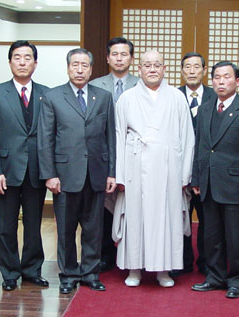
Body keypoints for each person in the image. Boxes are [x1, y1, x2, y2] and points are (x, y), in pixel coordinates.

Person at [113, 50, 195, 287]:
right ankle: (134, 268)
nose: (152, 69)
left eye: (157, 65)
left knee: (166, 218)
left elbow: (187, 137)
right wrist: (120, 175)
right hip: (135, 165)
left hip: (168, 168)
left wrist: (184, 174)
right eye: (147, 65)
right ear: (139, 69)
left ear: (164, 69)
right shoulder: (127, 98)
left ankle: (163, 270)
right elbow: (119, 137)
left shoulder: (177, 98)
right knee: (135, 217)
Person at [38, 48, 116, 295]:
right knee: (66, 230)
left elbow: (110, 137)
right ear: (68, 68)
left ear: (92, 69)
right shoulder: (52, 97)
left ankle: (91, 273)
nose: (80, 70)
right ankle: (69, 274)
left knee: (94, 229)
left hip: (95, 173)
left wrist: (111, 172)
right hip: (64, 175)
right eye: (75, 65)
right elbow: (45, 139)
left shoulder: (103, 97)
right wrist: (50, 174)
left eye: (85, 65)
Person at [191, 61, 239, 299]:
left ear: (237, 81)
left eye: (227, 77)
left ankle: (238, 278)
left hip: (236, 184)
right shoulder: (205, 108)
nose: (221, 82)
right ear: (211, 81)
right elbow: (200, 146)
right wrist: (197, 178)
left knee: (237, 236)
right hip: (210, 183)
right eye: (217, 78)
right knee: (211, 235)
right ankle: (215, 277)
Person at [0, 41, 49, 292]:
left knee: (34, 225)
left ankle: (32, 270)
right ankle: (9, 273)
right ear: (10, 62)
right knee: (7, 225)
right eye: (17, 58)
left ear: (35, 62)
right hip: (7, 170)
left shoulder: (47, 93)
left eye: (27, 58)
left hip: (36, 171)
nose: (22, 62)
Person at [88, 37, 140, 272]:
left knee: (134, 207)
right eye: (115, 54)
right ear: (107, 58)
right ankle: (105, 255)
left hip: (135, 156)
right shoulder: (95, 85)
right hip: (102, 153)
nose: (119, 58)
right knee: (103, 207)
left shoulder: (142, 85)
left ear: (131, 58)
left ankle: (134, 255)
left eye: (124, 54)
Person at [177, 52, 216, 276]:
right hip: (178, 167)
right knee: (179, 217)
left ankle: (206, 263)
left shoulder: (214, 96)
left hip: (208, 169)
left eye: (196, 67)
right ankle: (181, 261)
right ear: (181, 71)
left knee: (207, 219)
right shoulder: (172, 95)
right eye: (187, 67)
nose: (192, 71)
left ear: (203, 70)